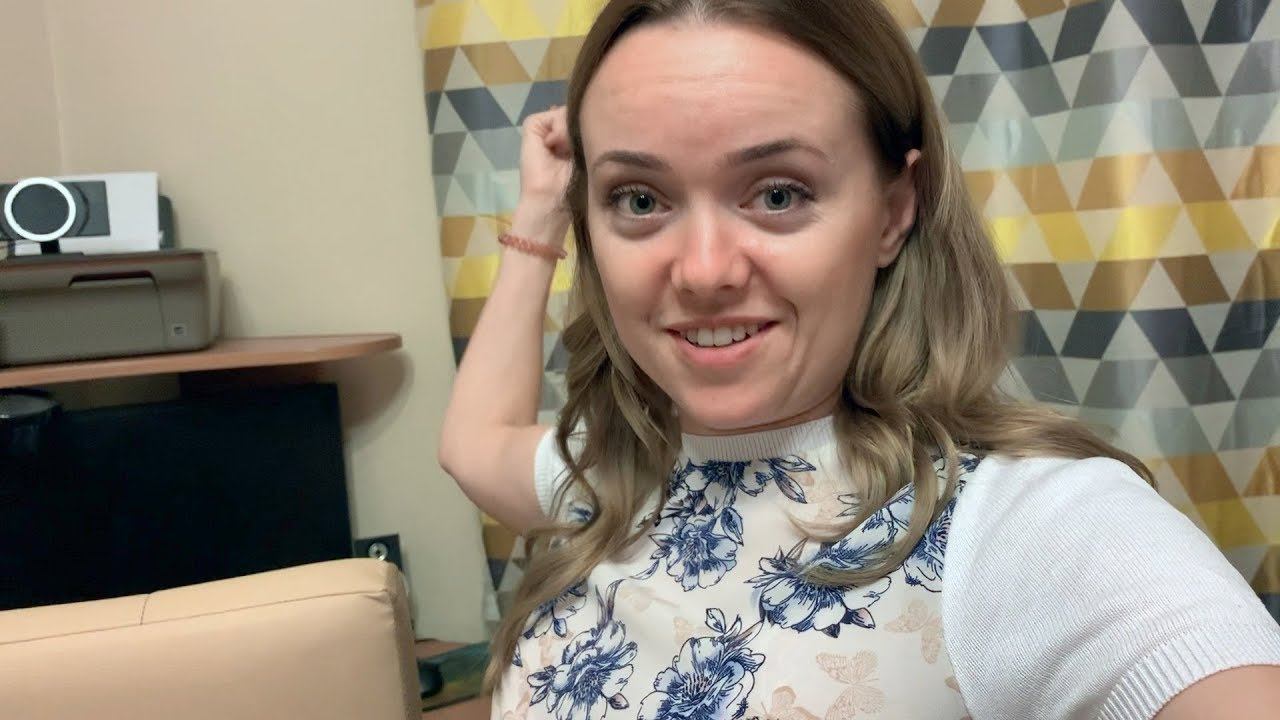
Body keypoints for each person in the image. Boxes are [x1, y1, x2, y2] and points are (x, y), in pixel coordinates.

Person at [438, 1, 1280, 718]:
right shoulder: (614, 479)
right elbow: (473, 445)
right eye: (638, 198)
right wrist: (542, 211)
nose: (702, 271)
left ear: (892, 210)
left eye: (778, 194)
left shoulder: (1020, 527)